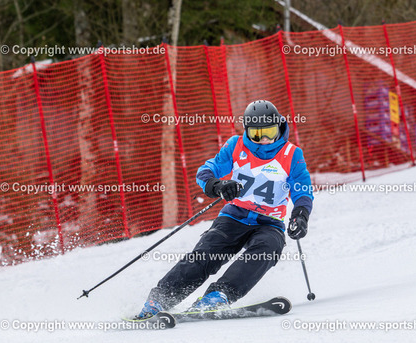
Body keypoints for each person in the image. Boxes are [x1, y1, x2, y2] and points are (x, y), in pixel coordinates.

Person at [134, 100, 313, 319]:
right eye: (257, 134)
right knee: (207, 253)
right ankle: (161, 299)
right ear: (247, 130)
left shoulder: (292, 154)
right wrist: (218, 186)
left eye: (270, 132)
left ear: (279, 127)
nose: (265, 139)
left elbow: (302, 189)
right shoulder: (236, 145)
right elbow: (206, 171)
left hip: (269, 222)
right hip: (234, 216)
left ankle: (218, 296)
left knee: (268, 248)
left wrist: (300, 215)